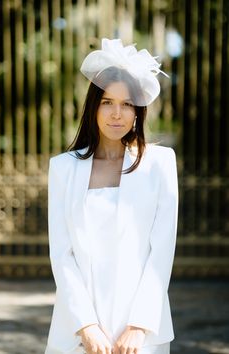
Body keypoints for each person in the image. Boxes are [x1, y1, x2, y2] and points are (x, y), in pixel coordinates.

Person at [45, 38, 178, 354]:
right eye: (107, 102)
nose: (116, 113)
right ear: (93, 107)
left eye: (127, 104)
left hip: (141, 332)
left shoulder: (160, 164)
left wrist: (139, 326)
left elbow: (161, 251)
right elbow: (62, 255)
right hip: (76, 330)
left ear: (138, 111)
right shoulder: (63, 168)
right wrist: (87, 326)